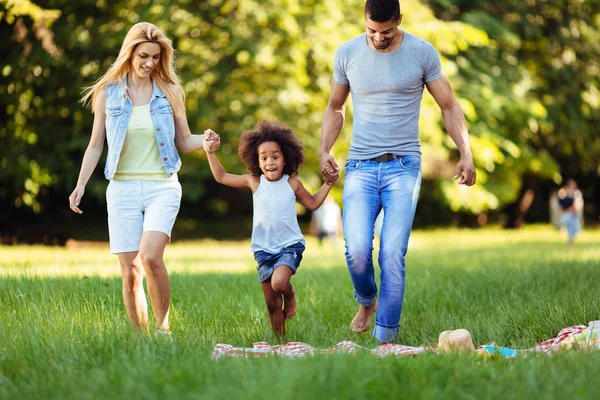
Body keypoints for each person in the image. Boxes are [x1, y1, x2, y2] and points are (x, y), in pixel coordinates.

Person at [319, 0, 476, 343]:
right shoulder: (347, 53)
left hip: (403, 167)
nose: (377, 38)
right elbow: (335, 106)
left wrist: (465, 152)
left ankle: (385, 340)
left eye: (386, 31)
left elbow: (448, 105)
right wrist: (324, 150)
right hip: (360, 165)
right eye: (371, 30)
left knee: (392, 252)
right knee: (356, 249)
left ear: (399, 20)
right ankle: (367, 300)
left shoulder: (422, 52)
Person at [68, 22, 218, 336]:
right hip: (121, 188)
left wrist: (204, 142)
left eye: (155, 57)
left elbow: (184, 139)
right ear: (130, 53)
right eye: (143, 56)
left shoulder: (170, 90)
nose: (149, 63)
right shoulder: (107, 93)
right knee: (130, 272)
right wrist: (81, 183)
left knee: (150, 258)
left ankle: (163, 330)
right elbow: (96, 144)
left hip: (161, 186)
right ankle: (142, 339)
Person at [202, 121, 337, 335]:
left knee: (280, 284)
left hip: (288, 246)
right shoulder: (254, 182)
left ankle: (291, 295)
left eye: (275, 156)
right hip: (263, 249)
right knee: (272, 303)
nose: (269, 162)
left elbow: (312, 203)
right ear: (256, 161)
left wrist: (328, 183)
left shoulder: (292, 184)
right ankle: (279, 344)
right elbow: (221, 176)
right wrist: (210, 153)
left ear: (285, 160)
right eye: (263, 157)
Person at [558, 179, 583, 246]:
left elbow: (578, 204)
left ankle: (570, 242)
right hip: (568, 214)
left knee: (574, 230)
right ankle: (570, 243)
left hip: (573, 214)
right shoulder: (564, 193)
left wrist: (574, 209)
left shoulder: (576, 193)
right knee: (571, 230)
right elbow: (561, 204)